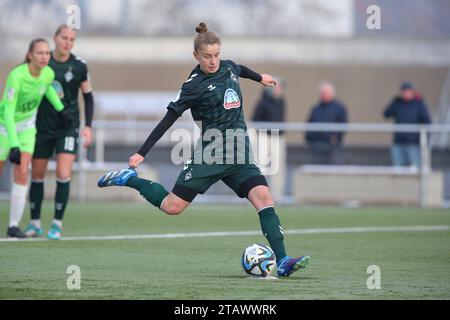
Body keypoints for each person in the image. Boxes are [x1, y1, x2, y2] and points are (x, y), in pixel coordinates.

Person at [97, 22, 310, 277]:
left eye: (217, 55)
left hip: (239, 153)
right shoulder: (193, 85)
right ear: (196, 56)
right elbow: (169, 118)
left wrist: (260, 78)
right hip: (210, 155)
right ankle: (130, 180)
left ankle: (283, 260)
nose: (214, 61)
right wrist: (143, 152)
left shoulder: (228, 66)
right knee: (172, 207)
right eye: (207, 56)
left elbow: (240, 69)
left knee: (264, 198)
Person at [24, 25, 94, 240]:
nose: (67, 42)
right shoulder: (43, 63)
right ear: (55, 38)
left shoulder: (79, 66)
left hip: (68, 127)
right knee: (37, 175)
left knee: (64, 174)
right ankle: (35, 223)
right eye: (64, 38)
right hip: (42, 127)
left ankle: (56, 224)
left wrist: (88, 126)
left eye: (72, 39)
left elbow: (88, 97)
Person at [0, 38, 68, 238]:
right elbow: (9, 114)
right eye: (40, 53)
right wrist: (13, 145)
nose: (44, 57)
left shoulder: (48, 73)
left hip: (27, 129)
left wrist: (60, 109)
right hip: (5, 127)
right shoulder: (17, 76)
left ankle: (13, 225)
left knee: (22, 172)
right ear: (30, 55)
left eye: (47, 53)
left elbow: (46, 87)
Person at [251, 78, 286, 202]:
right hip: (264, 137)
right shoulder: (262, 102)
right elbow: (255, 120)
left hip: (277, 138)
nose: (279, 90)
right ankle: (259, 196)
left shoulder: (281, 101)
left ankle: (277, 196)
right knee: (261, 167)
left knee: (278, 169)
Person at [383, 81, 431, 167]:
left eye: (408, 91)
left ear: (413, 92)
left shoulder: (418, 104)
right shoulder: (397, 103)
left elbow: (427, 121)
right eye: (404, 91)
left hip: (413, 143)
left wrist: (425, 138)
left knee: (415, 168)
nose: (406, 93)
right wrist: (395, 100)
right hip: (398, 142)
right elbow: (386, 114)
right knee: (398, 167)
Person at [305, 82, 348, 165]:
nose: (323, 95)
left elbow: (343, 125)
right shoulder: (316, 108)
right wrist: (310, 138)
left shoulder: (339, 108)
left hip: (333, 147)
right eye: (322, 93)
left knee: (333, 169)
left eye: (325, 93)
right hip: (317, 147)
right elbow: (310, 124)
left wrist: (335, 137)